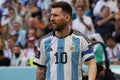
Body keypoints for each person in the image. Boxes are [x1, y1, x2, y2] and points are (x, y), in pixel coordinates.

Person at [33, 1, 97, 80]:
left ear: (67, 18)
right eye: (51, 15)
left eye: (55, 15)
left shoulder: (81, 39)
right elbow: (40, 69)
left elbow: (91, 64)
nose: (51, 18)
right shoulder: (44, 41)